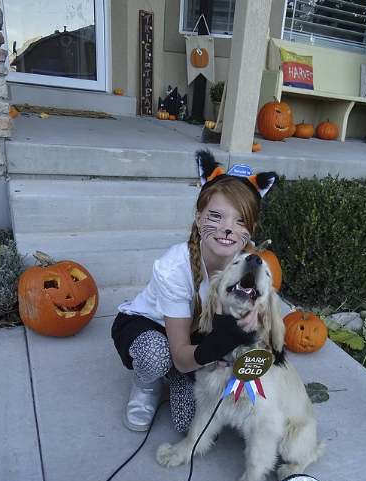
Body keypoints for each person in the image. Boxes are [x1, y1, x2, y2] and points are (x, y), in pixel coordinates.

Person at [111, 149, 278, 434]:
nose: (227, 229)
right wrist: (217, 343)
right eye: (217, 216)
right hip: (155, 328)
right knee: (157, 354)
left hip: (197, 339)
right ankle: (146, 384)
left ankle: (182, 374)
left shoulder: (250, 266)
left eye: (240, 221)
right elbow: (179, 354)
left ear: (251, 229)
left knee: (187, 424)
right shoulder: (174, 268)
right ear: (199, 218)